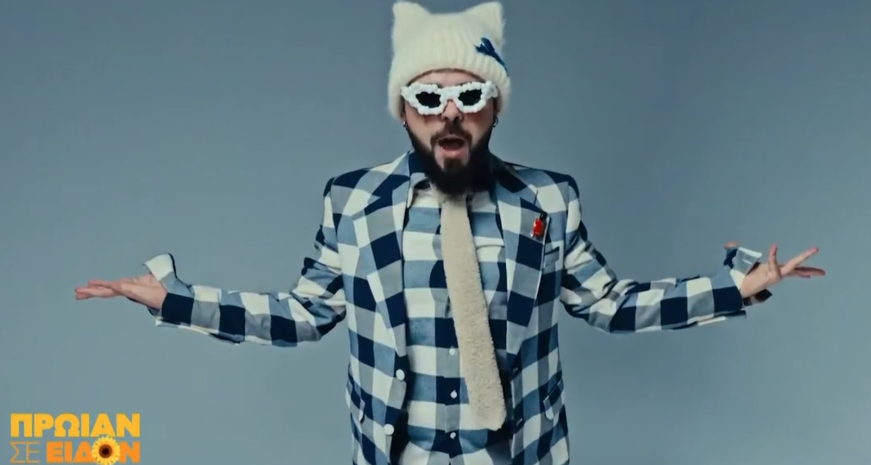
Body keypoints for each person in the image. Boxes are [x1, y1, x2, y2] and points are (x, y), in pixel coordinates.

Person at [74, 2, 825, 464]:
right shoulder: (354, 202)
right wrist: (174, 300)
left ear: (495, 106)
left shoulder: (547, 200)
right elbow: (304, 313)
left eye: (469, 95)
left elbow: (609, 303)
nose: (450, 115)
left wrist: (738, 287)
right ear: (403, 109)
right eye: (428, 98)